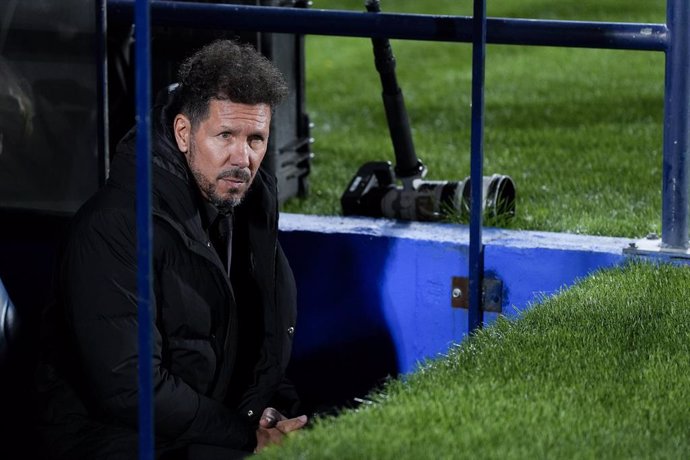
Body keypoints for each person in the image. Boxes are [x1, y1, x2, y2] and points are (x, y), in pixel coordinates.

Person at [34, 39, 307, 459]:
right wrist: (244, 434)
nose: (242, 158)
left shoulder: (246, 204)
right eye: (226, 135)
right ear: (183, 133)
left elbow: (261, 339)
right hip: (112, 439)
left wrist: (271, 413)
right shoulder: (115, 225)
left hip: (203, 428)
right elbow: (131, 390)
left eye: (256, 139)